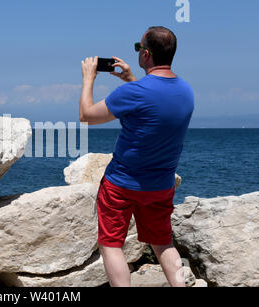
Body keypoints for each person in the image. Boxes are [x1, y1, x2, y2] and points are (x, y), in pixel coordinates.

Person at [79, 26, 194, 287]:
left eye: (138, 48)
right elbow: (154, 104)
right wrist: (133, 79)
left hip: (121, 184)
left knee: (111, 244)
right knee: (163, 242)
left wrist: (89, 78)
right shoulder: (186, 92)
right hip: (161, 186)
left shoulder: (133, 93)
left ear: (146, 54)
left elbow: (87, 116)